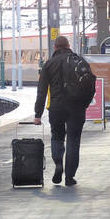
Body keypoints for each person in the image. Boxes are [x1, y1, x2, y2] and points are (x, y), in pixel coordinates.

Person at [33, 35, 85, 186]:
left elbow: (41, 91)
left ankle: (58, 163)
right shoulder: (78, 61)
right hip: (76, 107)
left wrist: (38, 114)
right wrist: (85, 104)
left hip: (56, 107)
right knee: (74, 140)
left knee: (57, 137)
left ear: (55, 48)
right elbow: (89, 83)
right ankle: (69, 177)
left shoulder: (48, 64)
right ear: (69, 46)